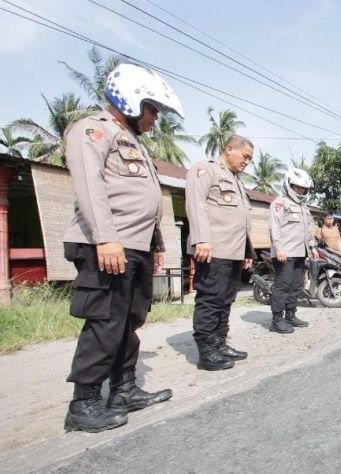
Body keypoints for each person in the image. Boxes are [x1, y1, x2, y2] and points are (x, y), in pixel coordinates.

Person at [62, 64, 181, 432]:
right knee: (105, 322)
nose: (155, 118)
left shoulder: (133, 143)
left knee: (129, 321)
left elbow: (147, 199)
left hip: (134, 246)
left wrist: (156, 243)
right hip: (107, 243)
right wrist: (105, 237)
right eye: (152, 109)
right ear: (130, 98)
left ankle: (124, 389)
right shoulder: (93, 130)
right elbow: (90, 186)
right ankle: (84, 403)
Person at [186, 135, 254, 371]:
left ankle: (219, 343)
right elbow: (196, 205)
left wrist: (247, 250)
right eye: (245, 156)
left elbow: (241, 220)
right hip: (213, 249)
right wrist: (201, 238)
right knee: (211, 300)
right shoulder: (206, 170)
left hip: (233, 252)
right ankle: (206, 351)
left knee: (225, 300)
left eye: (250, 159)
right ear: (229, 149)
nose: (247, 162)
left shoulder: (236, 181)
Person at [268, 168, 318, 334]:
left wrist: (312, 247)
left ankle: (290, 315)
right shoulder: (279, 203)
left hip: (300, 253)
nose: (301, 190)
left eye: (303, 188)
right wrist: (278, 246)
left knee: (296, 285)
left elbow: (309, 228)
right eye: (297, 187)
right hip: (285, 253)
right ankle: (277, 320)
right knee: (283, 286)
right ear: (289, 185)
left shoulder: (304, 207)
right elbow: (274, 226)